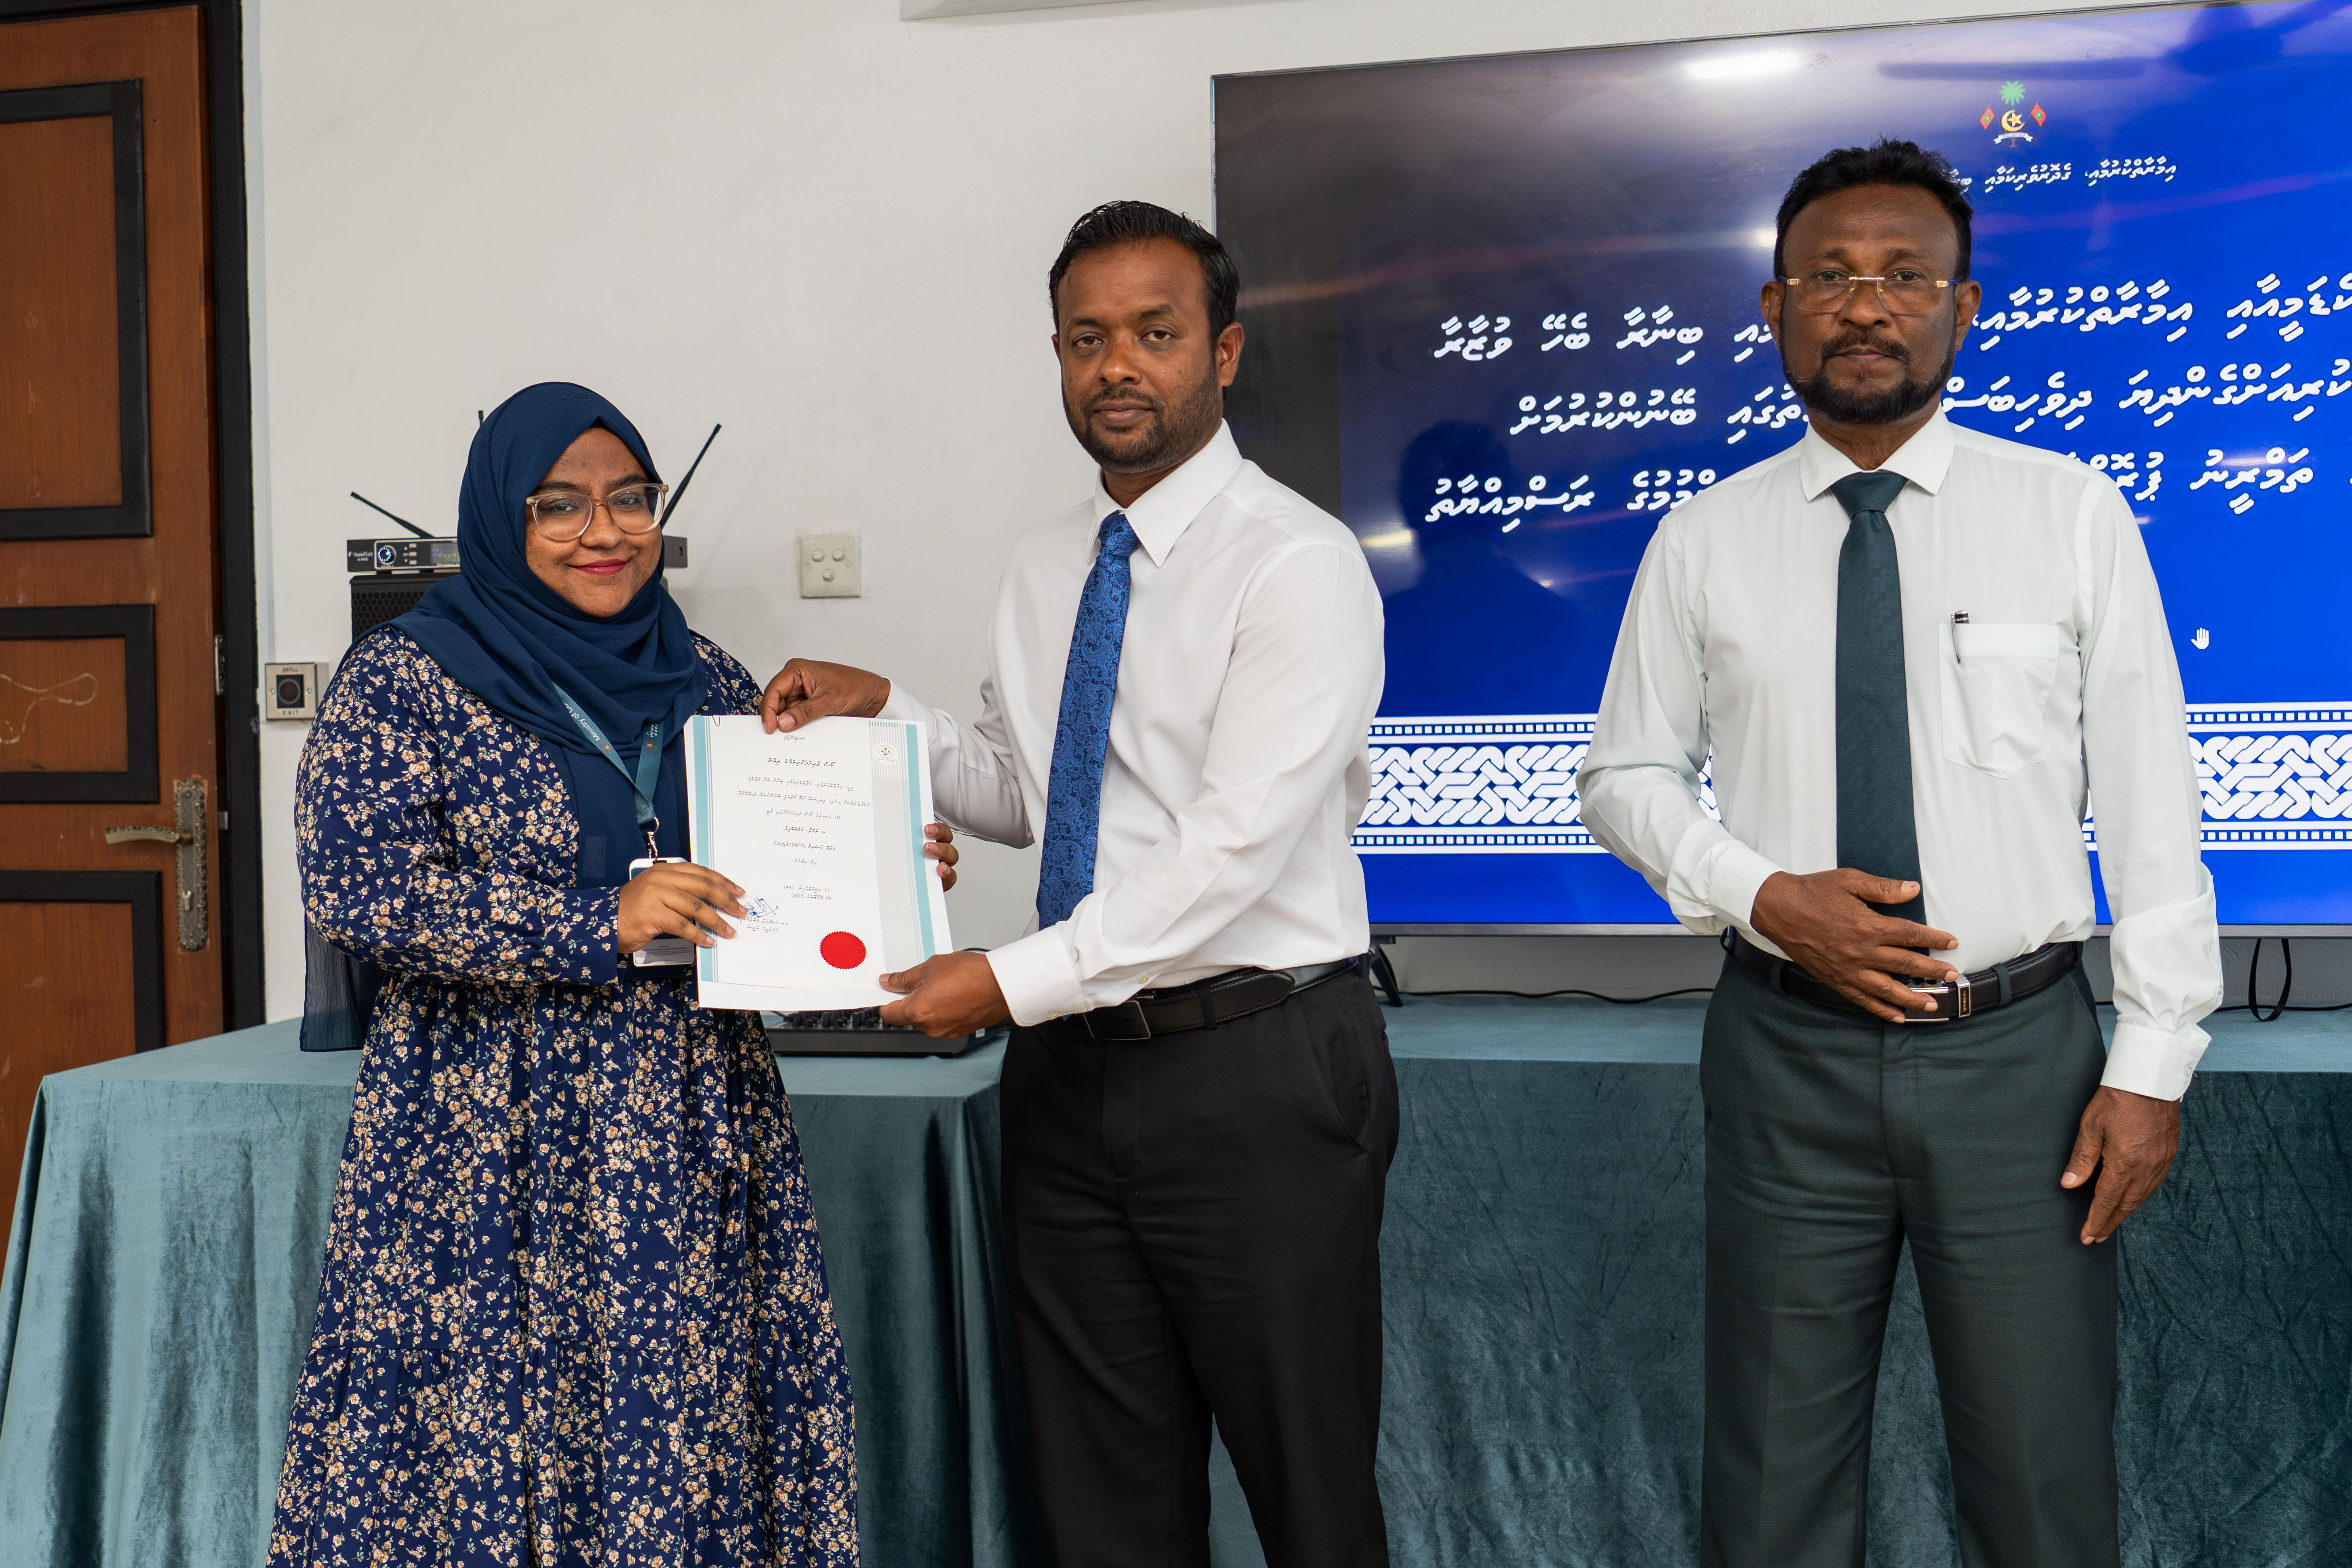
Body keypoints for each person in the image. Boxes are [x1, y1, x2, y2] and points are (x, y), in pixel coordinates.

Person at [1578, 140, 2220, 1568]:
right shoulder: (1702, 536)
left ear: (1964, 306)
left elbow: (2152, 799)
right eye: (1829, 276)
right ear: (1774, 308)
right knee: (1772, 1489)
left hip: (2024, 1066)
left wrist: (2153, 1061)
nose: (1865, 305)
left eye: (1905, 277)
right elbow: (1622, 778)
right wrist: (1764, 897)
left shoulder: (2068, 512)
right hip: (1786, 1053)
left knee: (2042, 1484)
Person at [757, 201, 1395, 1567]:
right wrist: (888, 718)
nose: (1118, 365)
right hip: (1069, 1077)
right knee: (1102, 1507)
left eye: (1156, 334)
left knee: (1310, 1499)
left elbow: (1231, 853)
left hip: (1258, 1065)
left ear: (1224, 353)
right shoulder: (1049, 564)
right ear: (1056, 355)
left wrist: (1003, 981)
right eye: (1086, 337)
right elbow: (1030, 794)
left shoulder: (1300, 565)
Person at [271, 382, 954, 1565]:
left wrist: (887, 871)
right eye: (560, 505)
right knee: (485, 1439)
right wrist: (600, 921)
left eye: (630, 498)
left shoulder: (706, 676)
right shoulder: (401, 680)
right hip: (483, 1140)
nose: (606, 531)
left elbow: (772, 898)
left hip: (686, 1121)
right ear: (503, 519)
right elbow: (361, 892)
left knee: (679, 1427)